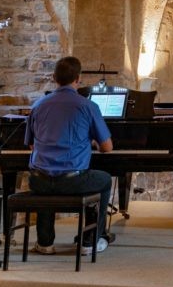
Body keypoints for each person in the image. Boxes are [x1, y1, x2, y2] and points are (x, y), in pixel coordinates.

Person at [25, 56, 113, 255]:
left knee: (44, 180)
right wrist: (90, 142)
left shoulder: (38, 106)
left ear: (54, 78)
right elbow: (107, 147)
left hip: (39, 181)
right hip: (73, 181)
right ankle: (90, 241)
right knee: (104, 180)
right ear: (78, 79)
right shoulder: (88, 106)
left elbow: (32, 144)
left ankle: (45, 242)